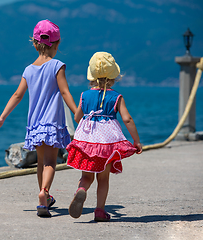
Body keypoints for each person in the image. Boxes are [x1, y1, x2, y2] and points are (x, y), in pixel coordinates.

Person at [0, 19, 77, 218]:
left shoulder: (28, 69)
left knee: (40, 163)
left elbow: (17, 95)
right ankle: (44, 193)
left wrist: (2, 117)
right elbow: (65, 92)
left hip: (35, 125)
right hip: (53, 123)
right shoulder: (57, 65)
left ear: (34, 43)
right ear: (56, 45)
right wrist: (76, 112)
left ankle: (44, 200)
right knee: (50, 162)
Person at [66, 51, 142, 222]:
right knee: (103, 178)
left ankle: (82, 190)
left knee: (87, 176)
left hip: (88, 141)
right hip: (107, 143)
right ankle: (99, 210)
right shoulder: (116, 97)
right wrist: (136, 141)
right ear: (114, 76)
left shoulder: (85, 95)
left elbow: (77, 118)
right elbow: (127, 119)